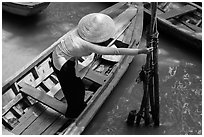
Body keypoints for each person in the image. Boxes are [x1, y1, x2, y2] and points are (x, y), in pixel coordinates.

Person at [52, 13, 153, 119]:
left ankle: (76, 107)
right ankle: (72, 114)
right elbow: (115, 51)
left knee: (75, 87)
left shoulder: (78, 32)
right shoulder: (86, 44)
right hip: (62, 64)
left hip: (60, 53)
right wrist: (140, 51)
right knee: (75, 90)